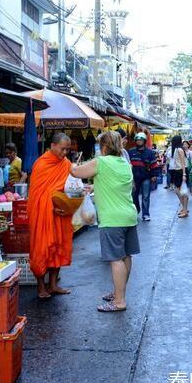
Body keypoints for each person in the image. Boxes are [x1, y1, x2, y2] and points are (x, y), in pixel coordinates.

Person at [70, 131, 139, 312]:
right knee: (126, 256)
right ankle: (119, 292)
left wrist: (70, 163)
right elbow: (113, 182)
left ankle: (119, 301)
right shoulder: (124, 163)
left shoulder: (101, 162)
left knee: (115, 259)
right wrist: (95, 186)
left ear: (105, 146)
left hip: (112, 219)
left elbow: (76, 172)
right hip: (129, 216)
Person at [28, 133, 74, 299]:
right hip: (43, 213)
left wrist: (69, 202)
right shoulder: (41, 164)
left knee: (58, 247)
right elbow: (37, 195)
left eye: (67, 149)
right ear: (53, 146)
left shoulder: (66, 163)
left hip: (60, 214)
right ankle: (41, 286)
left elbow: (70, 187)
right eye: (63, 149)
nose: (65, 153)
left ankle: (53, 285)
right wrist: (51, 207)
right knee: (41, 248)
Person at [128, 132, 160, 221]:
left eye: (141, 140)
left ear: (144, 141)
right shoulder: (131, 151)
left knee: (146, 196)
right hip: (134, 178)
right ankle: (136, 211)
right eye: (137, 140)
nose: (139, 141)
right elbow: (126, 164)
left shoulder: (149, 153)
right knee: (134, 196)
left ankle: (145, 214)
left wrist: (154, 175)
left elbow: (154, 164)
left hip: (146, 178)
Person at [169, 135, 189, 218]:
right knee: (179, 191)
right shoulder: (176, 150)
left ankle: (184, 209)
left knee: (181, 191)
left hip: (181, 171)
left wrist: (184, 174)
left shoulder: (179, 150)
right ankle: (184, 208)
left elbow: (183, 163)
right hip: (177, 171)